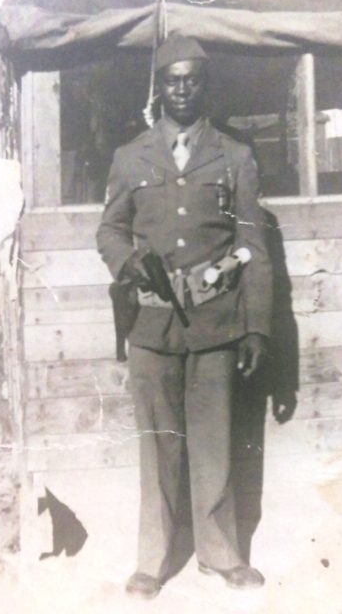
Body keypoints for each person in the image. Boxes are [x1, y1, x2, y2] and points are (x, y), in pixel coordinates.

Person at [96, 34, 273, 599]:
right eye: (171, 79)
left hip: (216, 321)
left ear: (204, 85)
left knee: (215, 442)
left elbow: (252, 243)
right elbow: (109, 228)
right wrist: (127, 262)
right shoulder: (130, 157)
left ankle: (220, 553)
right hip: (150, 325)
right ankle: (155, 557)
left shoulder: (235, 156)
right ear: (160, 86)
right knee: (157, 444)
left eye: (191, 79)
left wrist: (256, 325)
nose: (181, 88)